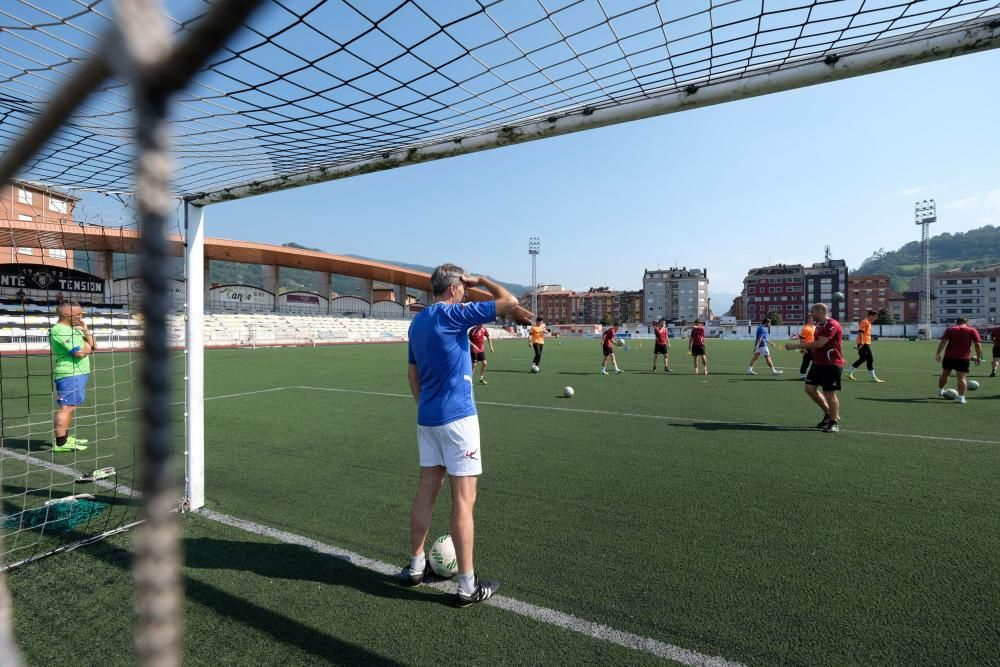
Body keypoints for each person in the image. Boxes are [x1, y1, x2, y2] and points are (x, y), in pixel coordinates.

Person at [400, 264, 530, 606]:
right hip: (458, 420)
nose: (467, 292)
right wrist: (484, 279)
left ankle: (415, 566)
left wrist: (425, 406)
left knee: (427, 489)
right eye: (464, 287)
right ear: (455, 287)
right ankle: (467, 586)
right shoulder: (455, 313)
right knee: (463, 499)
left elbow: (412, 376)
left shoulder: (418, 321)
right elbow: (509, 301)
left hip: (427, 418)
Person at [784, 303, 843, 432]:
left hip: (831, 364)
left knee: (829, 393)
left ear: (821, 311)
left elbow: (821, 343)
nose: (811, 314)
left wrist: (796, 346)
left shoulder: (831, 324)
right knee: (809, 389)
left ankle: (834, 422)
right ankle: (829, 414)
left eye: (812, 312)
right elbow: (817, 346)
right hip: (818, 363)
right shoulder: (819, 325)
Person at [50, 301, 95, 452]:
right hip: (69, 373)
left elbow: (94, 345)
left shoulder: (74, 330)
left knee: (71, 406)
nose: (81, 316)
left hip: (79, 373)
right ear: (65, 313)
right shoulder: (59, 330)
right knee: (66, 407)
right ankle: (61, 443)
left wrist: (85, 329)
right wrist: (88, 347)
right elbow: (79, 353)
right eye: (78, 313)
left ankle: (65, 438)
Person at [935, 316, 982, 405]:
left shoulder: (950, 329)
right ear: (967, 322)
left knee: (945, 374)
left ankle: (940, 391)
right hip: (963, 358)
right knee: (961, 378)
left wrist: (938, 353)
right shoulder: (972, 330)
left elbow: (943, 342)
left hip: (949, 357)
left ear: (956, 322)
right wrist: (979, 357)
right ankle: (961, 398)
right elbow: (977, 344)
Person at [847, 310, 884, 382]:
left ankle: (849, 373)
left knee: (862, 359)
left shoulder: (869, 323)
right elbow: (860, 333)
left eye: (876, 317)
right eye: (875, 316)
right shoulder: (865, 322)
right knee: (870, 359)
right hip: (864, 344)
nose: (876, 318)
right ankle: (873, 378)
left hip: (865, 343)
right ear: (870, 316)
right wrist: (861, 343)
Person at [798, 314, 815, 380]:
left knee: (814, 362)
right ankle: (802, 375)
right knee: (806, 362)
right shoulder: (805, 328)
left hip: (814, 347)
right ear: (808, 320)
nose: (813, 320)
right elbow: (801, 339)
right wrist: (803, 348)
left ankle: (809, 375)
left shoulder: (814, 327)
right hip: (808, 347)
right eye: (812, 318)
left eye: (813, 318)